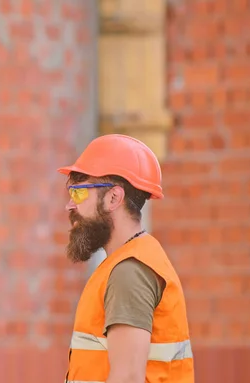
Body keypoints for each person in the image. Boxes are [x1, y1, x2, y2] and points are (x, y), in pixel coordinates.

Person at [57, 134, 194, 383]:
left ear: (113, 198)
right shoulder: (131, 261)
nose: (69, 205)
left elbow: (128, 377)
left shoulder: (129, 271)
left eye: (78, 192)